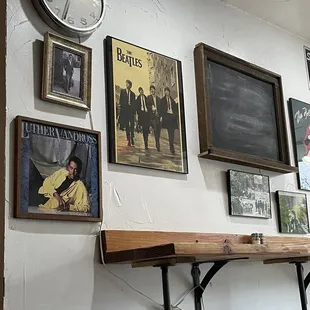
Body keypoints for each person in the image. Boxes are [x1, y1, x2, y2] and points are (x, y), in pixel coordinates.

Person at [160, 87, 178, 154]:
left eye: (168, 91)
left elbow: (175, 109)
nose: (167, 92)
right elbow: (161, 109)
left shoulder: (172, 100)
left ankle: (171, 146)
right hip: (167, 117)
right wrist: (162, 117)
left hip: (172, 117)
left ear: (169, 92)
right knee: (170, 132)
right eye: (165, 91)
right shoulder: (162, 100)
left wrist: (175, 115)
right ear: (164, 92)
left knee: (172, 133)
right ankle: (171, 147)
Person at [118, 80, 136, 146]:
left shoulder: (133, 94)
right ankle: (128, 140)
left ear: (130, 86)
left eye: (128, 84)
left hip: (130, 111)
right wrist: (121, 109)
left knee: (131, 126)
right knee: (127, 126)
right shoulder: (122, 91)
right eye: (127, 83)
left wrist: (134, 112)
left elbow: (134, 104)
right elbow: (120, 101)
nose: (127, 85)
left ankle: (132, 138)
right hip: (125, 111)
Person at [147, 85, 161, 152]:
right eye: (151, 90)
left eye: (153, 90)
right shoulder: (149, 97)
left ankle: (157, 142)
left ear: (155, 90)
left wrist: (161, 116)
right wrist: (152, 108)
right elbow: (147, 105)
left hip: (158, 117)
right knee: (155, 130)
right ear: (150, 91)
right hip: (153, 117)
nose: (152, 91)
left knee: (158, 131)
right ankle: (158, 145)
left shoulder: (158, 98)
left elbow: (161, 108)